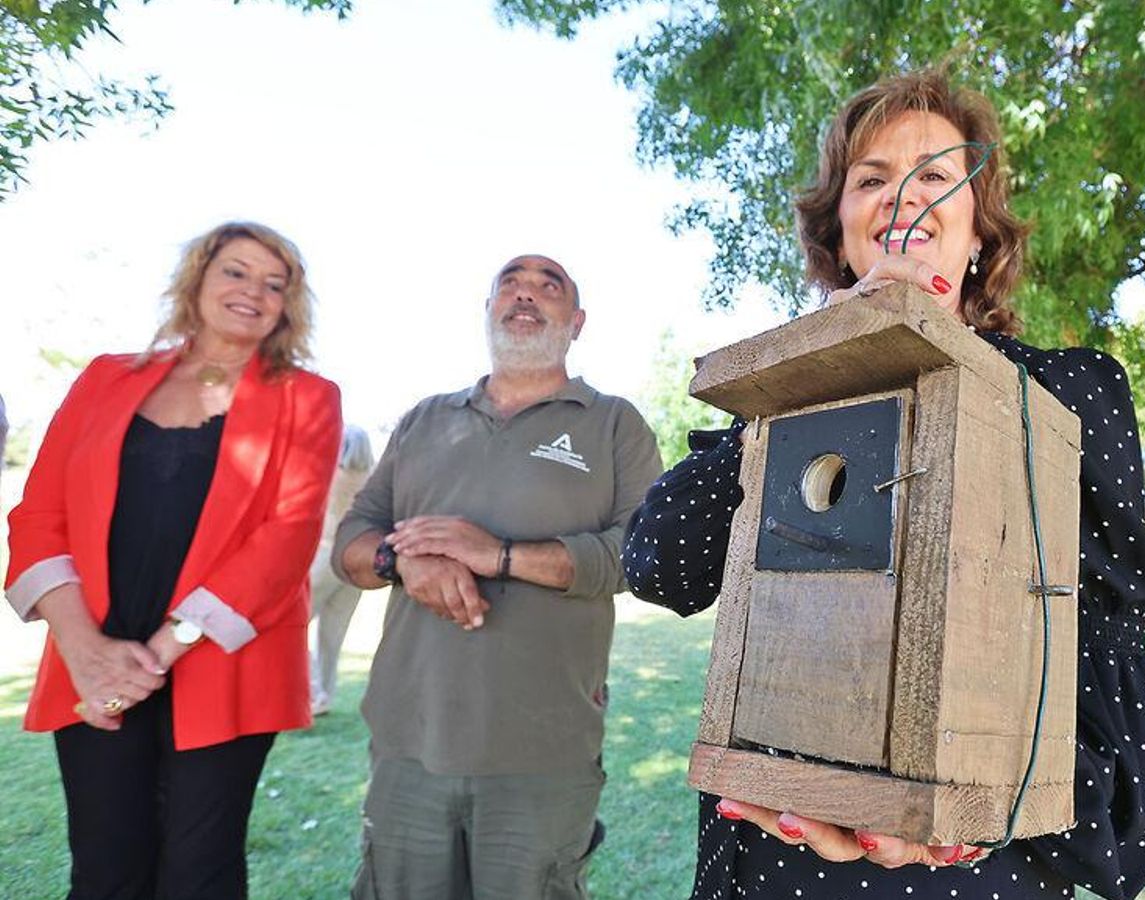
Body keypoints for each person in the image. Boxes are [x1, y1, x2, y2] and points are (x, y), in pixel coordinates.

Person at [623, 70, 1145, 899]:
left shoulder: (1066, 392)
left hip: (974, 877)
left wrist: (982, 812)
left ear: (978, 233)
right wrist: (826, 355)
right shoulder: (781, 396)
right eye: (872, 180)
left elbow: (1103, 644)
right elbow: (659, 565)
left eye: (934, 177)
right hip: (775, 863)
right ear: (839, 234)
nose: (903, 198)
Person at [4, 221, 342, 898]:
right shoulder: (105, 378)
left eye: (275, 284)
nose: (254, 292)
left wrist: (156, 655)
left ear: (288, 307)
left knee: (199, 874)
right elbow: (39, 517)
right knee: (103, 870)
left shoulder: (309, 398)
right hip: (92, 662)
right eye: (236, 271)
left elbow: (286, 540)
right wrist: (87, 650)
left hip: (224, 663)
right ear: (198, 279)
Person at [331, 254, 663, 900]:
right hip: (409, 742)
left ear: (578, 321)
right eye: (509, 284)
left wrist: (501, 555)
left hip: (542, 748)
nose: (525, 295)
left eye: (549, 286)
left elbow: (642, 557)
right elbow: (352, 539)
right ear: (487, 311)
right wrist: (404, 561)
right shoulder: (426, 419)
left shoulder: (613, 422)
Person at [308, 424, 375, 715]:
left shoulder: (327, 474)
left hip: (323, 556)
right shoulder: (373, 479)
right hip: (354, 561)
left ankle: (312, 692)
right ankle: (325, 694)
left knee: (298, 627)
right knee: (334, 634)